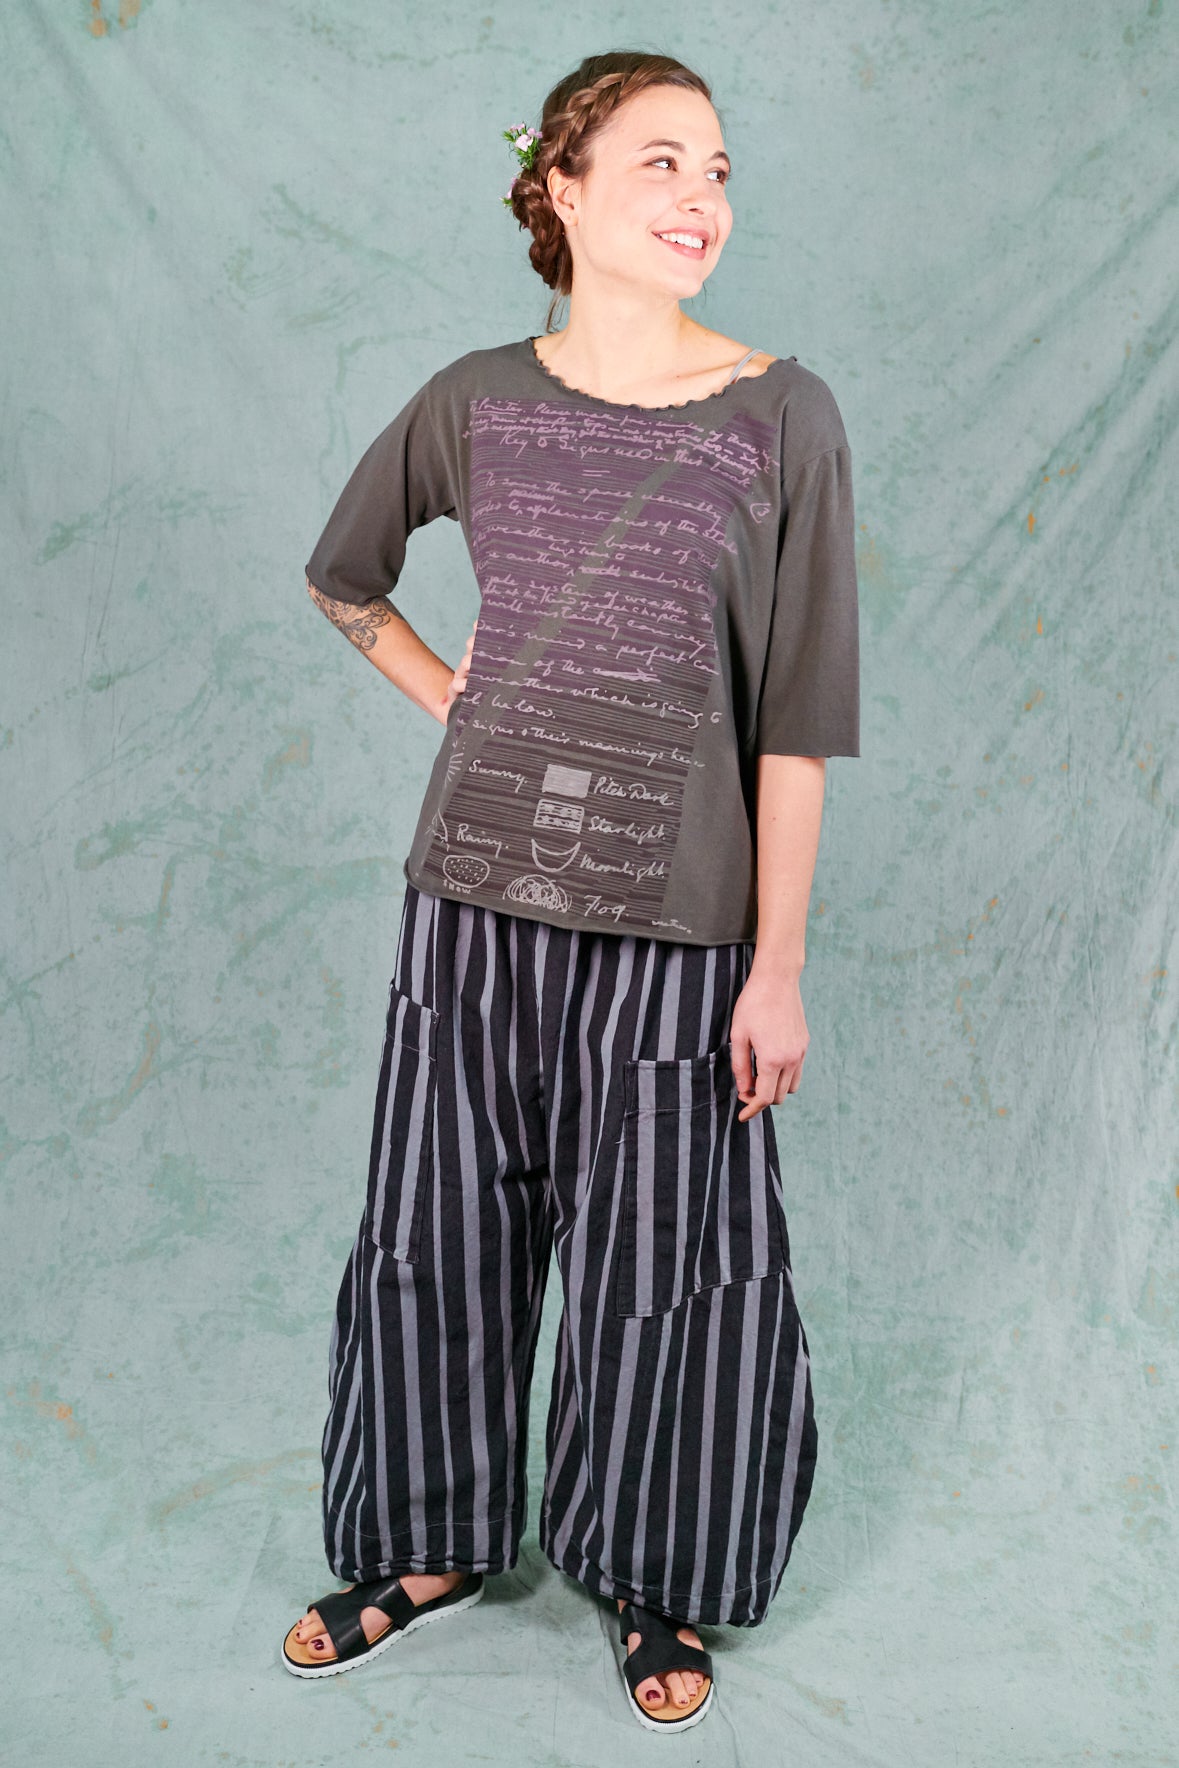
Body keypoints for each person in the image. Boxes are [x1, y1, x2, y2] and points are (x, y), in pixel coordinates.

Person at [280, 49, 860, 1734]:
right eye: (662, 161)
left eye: (719, 169)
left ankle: (650, 1572)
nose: (702, 197)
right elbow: (343, 577)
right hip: (470, 903)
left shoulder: (783, 417)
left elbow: (799, 721)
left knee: (666, 1265)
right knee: (436, 1237)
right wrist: (447, 690)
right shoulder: (474, 400)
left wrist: (778, 963)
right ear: (563, 187)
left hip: (683, 940)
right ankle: (424, 1544)